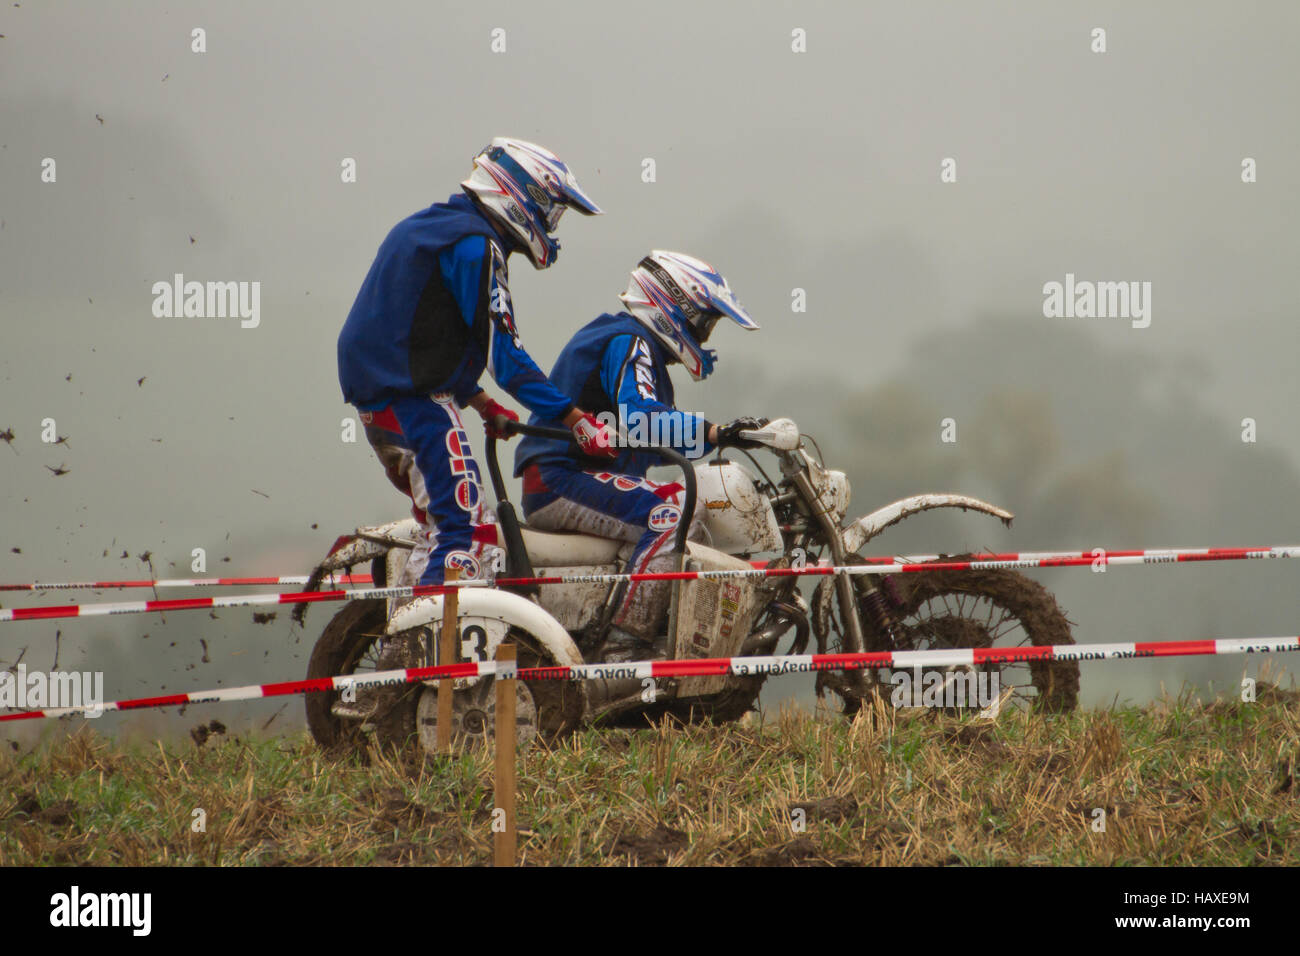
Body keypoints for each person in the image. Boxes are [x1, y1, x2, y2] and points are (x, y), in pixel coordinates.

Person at [337, 138, 617, 593]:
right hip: (415, 405)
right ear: (523, 196)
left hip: (385, 402)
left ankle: (403, 637)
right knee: (468, 535)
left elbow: (422, 332)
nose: (552, 225)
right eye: (552, 211)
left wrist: (481, 402)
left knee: (447, 529)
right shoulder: (475, 245)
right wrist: (576, 419)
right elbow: (505, 357)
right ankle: (431, 657)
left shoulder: (432, 228)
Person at [514, 250, 767, 660]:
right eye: (703, 323)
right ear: (672, 306)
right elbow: (641, 420)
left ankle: (666, 636)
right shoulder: (629, 340)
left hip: (570, 476)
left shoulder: (629, 340)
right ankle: (625, 644)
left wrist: (715, 437)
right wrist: (717, 432)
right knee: (673, 511)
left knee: (685, 513)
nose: (703, 336)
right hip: (560, 478)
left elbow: (636, 437)